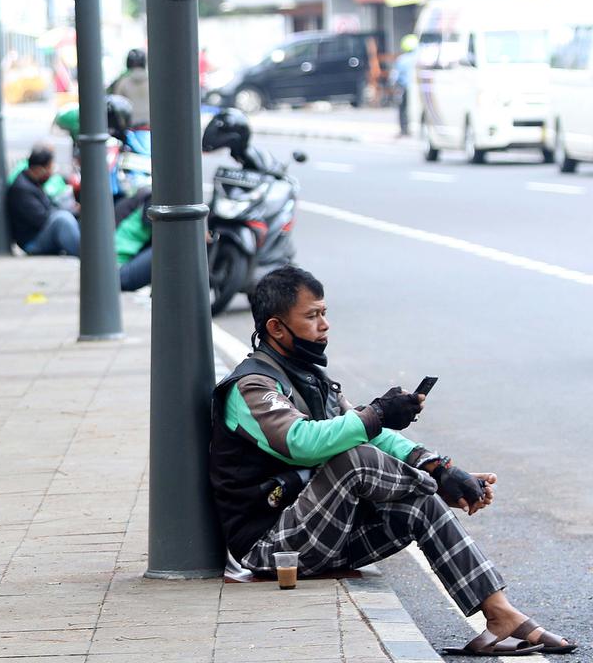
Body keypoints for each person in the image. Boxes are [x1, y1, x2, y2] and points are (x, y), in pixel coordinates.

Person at [211, 267, 577, 657]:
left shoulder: (308, 377)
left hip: (319, 534)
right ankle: (440, 497)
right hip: (271, 549)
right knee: (357, 460)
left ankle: (500, 613)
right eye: (312, 315)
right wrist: (385, 421)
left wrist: (439, 466)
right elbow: (302, 443)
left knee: (412, 501)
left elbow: (371, 432)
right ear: (277, 328)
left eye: (324, 312)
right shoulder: (252, 386)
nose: (325, 324)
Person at [7, 145, 80, 257]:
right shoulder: (22, 189)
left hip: (39, 233)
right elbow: (41, 219)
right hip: (32, 242)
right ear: (39, 170)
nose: (51, 172)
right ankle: (84, 254)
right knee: (62, 219)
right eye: (50, 168)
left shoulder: (31, 181)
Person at [109, 48, 150, 126]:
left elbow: (116, 107)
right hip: (150, 126)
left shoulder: (122, 83)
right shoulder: (152, 81)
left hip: (131, 128)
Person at [390, 34, 418, 137]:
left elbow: (394, 76)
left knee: (403, 108)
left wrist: (393, 85)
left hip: (404, 87)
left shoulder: (401, 59)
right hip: (418, 88)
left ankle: (404, 130)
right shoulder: (419, 57)